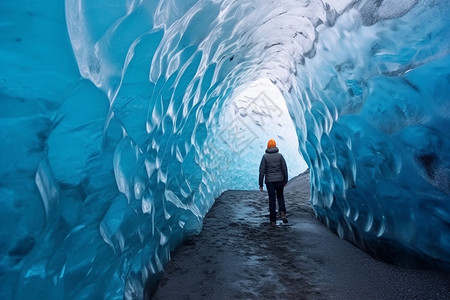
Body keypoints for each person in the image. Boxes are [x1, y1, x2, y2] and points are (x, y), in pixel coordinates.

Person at [259, 139, 288, 226]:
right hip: (279, 180)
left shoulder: (265, 157)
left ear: (268, 146)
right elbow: (284, 169)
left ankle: (273, 220)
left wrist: (260, 184)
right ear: (275, 146)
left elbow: (262, 171)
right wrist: (285, 180)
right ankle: (282, 213)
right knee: (280, 197)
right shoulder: (280, 156)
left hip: (270, 181)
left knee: (272, 199)